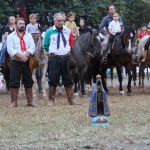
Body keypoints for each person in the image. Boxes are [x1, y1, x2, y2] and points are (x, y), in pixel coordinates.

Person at [44, 13, 80, 106]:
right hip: (54, 58)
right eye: (59, 21)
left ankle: (71, 100)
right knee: (53, 78)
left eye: (62, 21)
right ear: (54, 21)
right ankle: (51, 100)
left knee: (68, 78)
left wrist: (67, 51)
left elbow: (71, 42)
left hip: (66, 58)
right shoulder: (49, 32)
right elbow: (46, 45)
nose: (61, 22)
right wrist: (51, 52)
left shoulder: (67, 31)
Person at [7, 18, 38, 107]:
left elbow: (32, 46)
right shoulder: (11, 36)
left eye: (23, 23)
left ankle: (30, 101)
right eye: (20, 23)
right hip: (16, 61)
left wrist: (27, 55)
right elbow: (10, 49)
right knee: (14, 80)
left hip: (27, 61)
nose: (22, 25)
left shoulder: (28, 36)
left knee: (28, 80)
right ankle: (14, 101)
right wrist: (21, 56)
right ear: (16, 25)